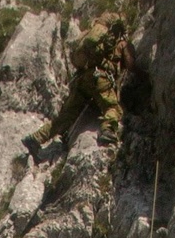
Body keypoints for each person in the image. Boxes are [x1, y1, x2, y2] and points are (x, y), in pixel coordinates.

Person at [24, 13, 135, 156]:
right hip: (101, 80)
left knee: (66, 116)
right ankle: (107, 131)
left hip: (82, 80)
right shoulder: (121, 43)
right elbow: (131, 66)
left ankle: (36, 138)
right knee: (112, 107)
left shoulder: (89, 37)